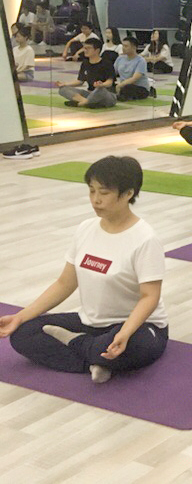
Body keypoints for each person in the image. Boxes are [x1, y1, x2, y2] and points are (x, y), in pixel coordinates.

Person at [0, 156, 168, 383]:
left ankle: (77, 344)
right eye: (91, 191)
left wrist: (125, 332)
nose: (95, 200)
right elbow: (64, 283)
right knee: (23, 334)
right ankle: (95, 361)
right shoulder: (85, 229)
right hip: (90, 323)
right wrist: (20, 317)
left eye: (104, 193)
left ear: (128, 193)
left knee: (131, 345)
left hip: (138, 326)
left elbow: (150, 297)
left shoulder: (145, 239)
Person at [56, 38, 117, 108]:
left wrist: (101, 85)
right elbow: (80, 81)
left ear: (97, 50)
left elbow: (110, 82)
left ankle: (81, 103)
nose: (85, 50)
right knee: (63, 89)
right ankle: (87, 102)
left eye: (88, 48)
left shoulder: (106, 63)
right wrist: (65, 84)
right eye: (85, 48)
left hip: (106, 94)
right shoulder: (85, 63)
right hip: (90, 94)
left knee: (100, 90)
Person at [114, 37, 152, 101]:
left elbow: (134, 79)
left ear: (134, 47)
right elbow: (113, 72)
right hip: (123, 85)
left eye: (126, 46)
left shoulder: (141, 60)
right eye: (123, 45)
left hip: (139, 87)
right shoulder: (120, 58)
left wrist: (120, 85)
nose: (123, 48)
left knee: (128, 88)